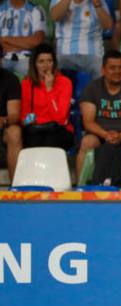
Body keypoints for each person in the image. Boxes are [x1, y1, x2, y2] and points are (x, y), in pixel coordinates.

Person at [76, 50, 121, 181]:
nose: (117, 71)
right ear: (103, 70)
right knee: (86, 142)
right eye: (112, 68)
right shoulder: (92, 88)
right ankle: (81, 186)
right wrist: (106, 135)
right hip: (100, 136)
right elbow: (88, 122)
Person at [20, 43, 74, 150]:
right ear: (34, 64)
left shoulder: (64, 82)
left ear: (54, 63)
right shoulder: (26, 84)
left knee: (49, 141)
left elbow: (60, 119)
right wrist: (29, 120)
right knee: (33, 139)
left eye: (50, 61)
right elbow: (23, 119)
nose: (46, 65)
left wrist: (49, 90)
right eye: (41, 61)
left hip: (59, 129)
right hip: (35, 129)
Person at [50, 0, 113, 80]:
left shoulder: (99, 2)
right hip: (64, 54)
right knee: (51, 69)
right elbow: (54, 16)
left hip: (93, 55)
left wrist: (97, 5)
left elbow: (108, 26)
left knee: (102, 71)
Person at [0, 0, 46, 77]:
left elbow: (37, 41)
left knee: (40, 74)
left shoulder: (36, 9)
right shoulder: (1, 9)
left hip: (27, 58)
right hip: (2, 57)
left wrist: (4, 39)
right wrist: (24, 44)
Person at [0, 44, 23, 183]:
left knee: (15, 132)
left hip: (2, 129)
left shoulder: (10, 79)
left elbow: (14, 115)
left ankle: (15, 186)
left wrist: (3, 121)